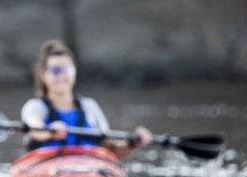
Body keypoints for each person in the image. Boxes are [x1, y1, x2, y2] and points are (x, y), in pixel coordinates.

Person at [20, 40, 153, 158]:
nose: (61, 76)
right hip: (47, 170)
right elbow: (34, 128)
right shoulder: (35, 107)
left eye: (66, 69)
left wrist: (132, 142)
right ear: (43, 75)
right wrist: (50, 131)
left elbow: (110, 149)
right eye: (55, 70)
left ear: (74, 73)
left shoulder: (89, 106)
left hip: (87, 171)